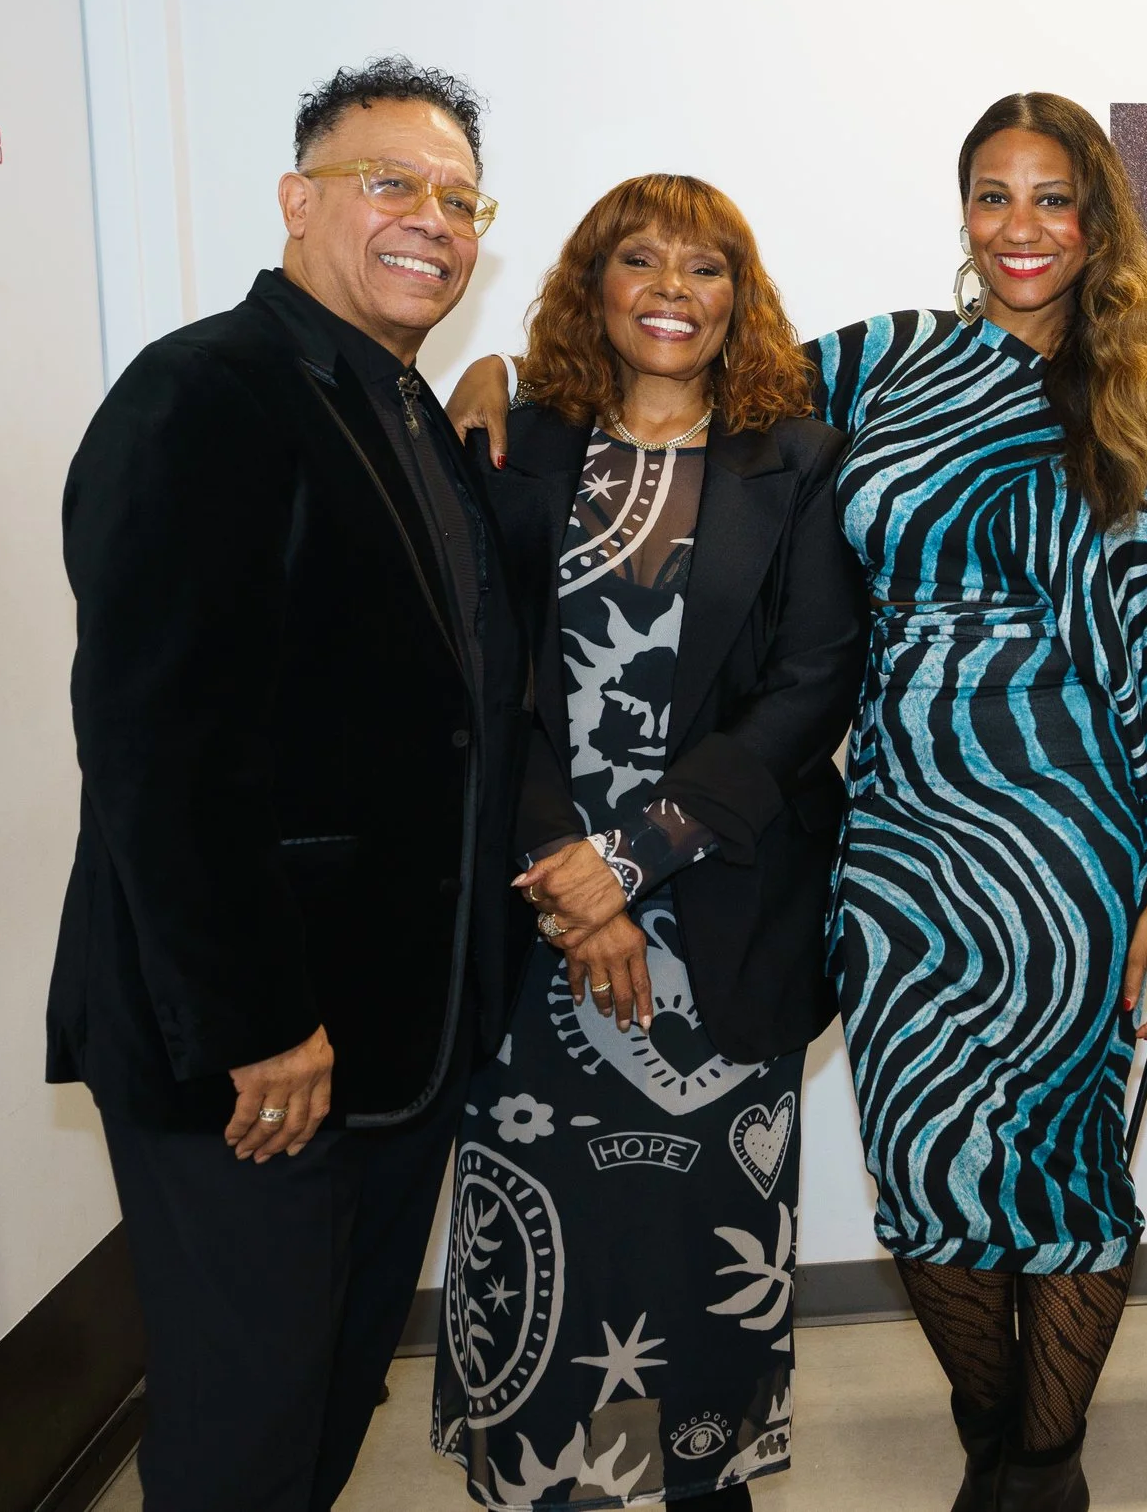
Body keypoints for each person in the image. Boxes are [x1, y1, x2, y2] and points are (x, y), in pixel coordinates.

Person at [447, 94, 1147, 1511]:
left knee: (1055, 1175)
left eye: (1054, 199)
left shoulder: (1142, 421)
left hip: (1070, 844)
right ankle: (995, 1424)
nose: (1022, 228)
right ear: (965, 214)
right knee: (926, 1169)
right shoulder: (885, 363)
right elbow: (678, 371)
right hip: (896, 847)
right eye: (993, 195)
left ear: (1098, 220)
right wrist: (502, 375)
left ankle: (1035, 1469)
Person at [50, 58, 526, 1512]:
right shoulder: (206, 392)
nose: (430, 221)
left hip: (393, 1044)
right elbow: (158, 744)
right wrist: (259, 1018)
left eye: (458, 198)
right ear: (298, 199)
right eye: (391, 184)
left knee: (318, 1407)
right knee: (243, 1433)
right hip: (257, 1053)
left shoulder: (407, 414)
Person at [429, 177, 866, 1508]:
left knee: (701, 1244)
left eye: (707, 266)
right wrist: (578, 871)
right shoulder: (518, 447)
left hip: (720, 914)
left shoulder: (801, 459)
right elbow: (484, 676)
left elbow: (811, 686)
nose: (674, 288)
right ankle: (546, 1478)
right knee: (550, 1224)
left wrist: (635, 860)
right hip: (537, 906)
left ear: (743, 297)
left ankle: (700, 1475)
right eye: (641, 260)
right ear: (591, 286)